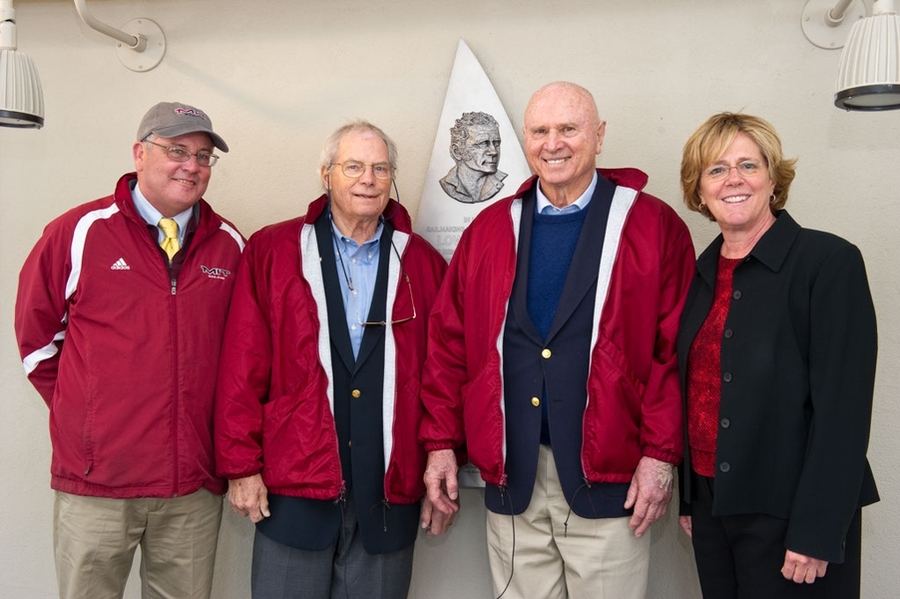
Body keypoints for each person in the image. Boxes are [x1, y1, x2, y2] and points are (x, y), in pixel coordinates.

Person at [419, 81, 695, 599]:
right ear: (525, 139)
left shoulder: (651, 226)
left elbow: (672, 353)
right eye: (541, 131)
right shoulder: (490, 230)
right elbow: (449, 347)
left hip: (609, 476)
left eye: (568, 128)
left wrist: (660, 456)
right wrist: (440, 446)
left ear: (599, 135)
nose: (554, 143)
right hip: (513, 476)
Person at [15, 101, 244, 599]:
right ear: (140, 153)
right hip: (98, 486)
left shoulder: (230, 246)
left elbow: (242, 362)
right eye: (177, 150)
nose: (192, 165)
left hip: (191, 486)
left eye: (204, 157)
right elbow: (35, 342)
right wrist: (88, 418)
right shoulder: (78, 232)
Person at [214, 121, 448, 599]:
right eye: (354, 166)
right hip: (293, 490)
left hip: (389, 492)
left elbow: (442, 375)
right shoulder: (274, 251)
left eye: (380, 168)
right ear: (326, 174)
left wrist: (441, 458)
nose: (368, 179)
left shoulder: (420, 263)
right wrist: (241, 465)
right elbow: (242, 366)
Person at [677, 112, 879, 599]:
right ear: (699, 190)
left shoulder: (828, 263)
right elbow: (697, 389)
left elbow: (844, 414)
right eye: (716, 169)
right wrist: (690, 497)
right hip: (711, 507)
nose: (734, 180)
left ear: (773, 178)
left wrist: (817, 530)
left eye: (748, 164)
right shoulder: (700, 276)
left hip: (792, 514)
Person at [439, 111, 507, 203]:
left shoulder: (506, 181)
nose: (494, 151)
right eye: (483, 143)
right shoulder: (447, 185)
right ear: (457, 152)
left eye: (496, 143)